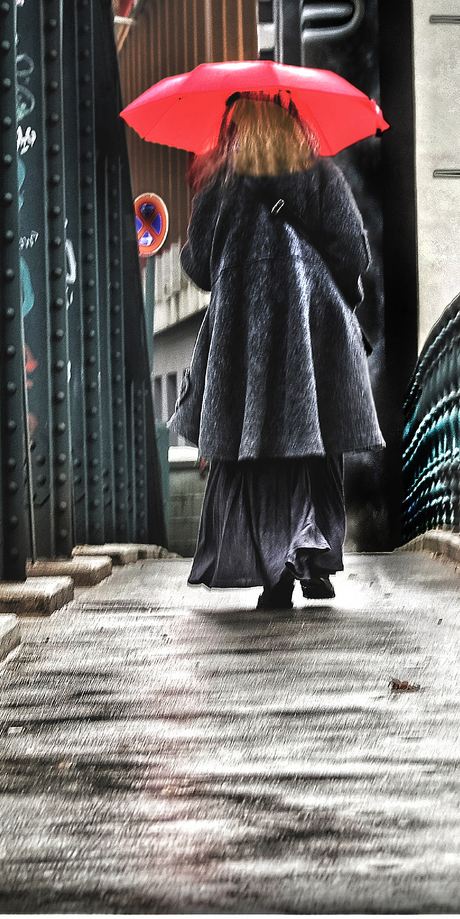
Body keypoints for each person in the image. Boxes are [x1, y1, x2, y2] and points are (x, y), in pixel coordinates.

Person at [169, 92, 384, 609]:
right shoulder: (318, 172)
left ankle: (276, 568)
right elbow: (355, 249)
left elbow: (198, 267)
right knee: (316, 438)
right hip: (316, 328)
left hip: (245, 336)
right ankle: (316, 559)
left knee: (257, 450)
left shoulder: (220, 183)